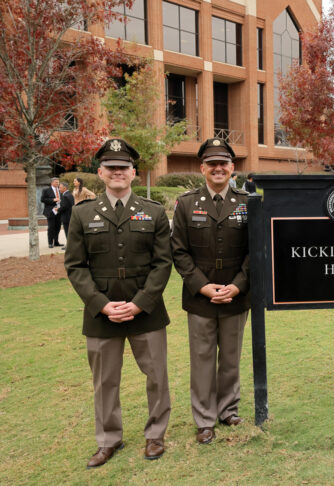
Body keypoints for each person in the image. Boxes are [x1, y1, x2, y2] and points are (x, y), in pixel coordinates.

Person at [64, 138, 173, 467]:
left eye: (123, 168)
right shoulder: (82, 214)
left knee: (157, 376)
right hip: (101, 313)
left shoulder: (153, 212)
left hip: (146, 309)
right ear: (100, 172)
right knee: (105, 380)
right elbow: (75, 266)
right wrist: (101, 304)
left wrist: (140, 303)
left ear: (134, 173)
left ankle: (155, 435)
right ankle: (108, 439)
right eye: (110, 168)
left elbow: (162, 264)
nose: (117, 173)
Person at [171, 138, 251, 445]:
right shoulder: (187, 203)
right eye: (212, 163)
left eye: (224, 163)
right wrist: (203, 287)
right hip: (200, 298)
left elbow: (254, 250)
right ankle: (204, 419)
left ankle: (228, 409)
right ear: (202, 167)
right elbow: (178, 251)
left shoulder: (246, 202)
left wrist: (237, 285)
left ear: (233, 168)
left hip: (236, 295)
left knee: (230, 358)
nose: (218, 168)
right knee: (202, 359)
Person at [40, 177, 62, 248]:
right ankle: (50, 243)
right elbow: (42, 199)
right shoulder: (46, 190)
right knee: (51, 227)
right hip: (50, 211)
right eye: (56, 182)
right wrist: (53, 200)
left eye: (58, 182)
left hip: (59, 211)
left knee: (58, 227)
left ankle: (56, 242)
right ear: (52, 183)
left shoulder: (60, 190)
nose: (57, 184)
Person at [58, 181, 75, 249]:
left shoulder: (65, 196)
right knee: (70, 231)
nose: (59, 189)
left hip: (66, 217)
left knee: (67, 231)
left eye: (60, 187)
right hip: (70, 216)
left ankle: (69, 246)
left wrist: (58, 209)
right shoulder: (70, 194)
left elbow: (64, 207)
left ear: (64, 188)